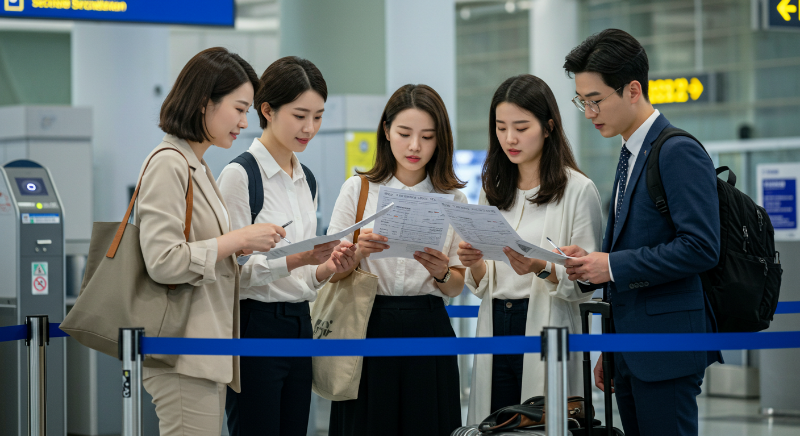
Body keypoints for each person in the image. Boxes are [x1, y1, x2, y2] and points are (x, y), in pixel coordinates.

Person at [561, 29, 722, 436]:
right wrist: (611, 349)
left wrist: (611, 265)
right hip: (630, 351)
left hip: (666, 351)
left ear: (633, 89)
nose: (589, 112)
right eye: (582, 101)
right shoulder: (631, 152)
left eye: (595, 100)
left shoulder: (676, 150)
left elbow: (701, 247)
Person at [137, 47, 288, 436]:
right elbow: (163, 260)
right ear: (205, 103)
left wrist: (241, 245)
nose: (244, 121)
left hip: (204, 350)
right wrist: (236, 238)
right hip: (184, 353)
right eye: (238, 109)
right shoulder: (170, 162)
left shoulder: (197, 165)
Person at [216, 56, 358, 436]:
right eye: (300, 115)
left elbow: (303, 278)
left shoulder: (306, 179)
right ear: (267, 110)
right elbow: (232, 276)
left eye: (318, 116)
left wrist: (329, 267)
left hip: (300, 323)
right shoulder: (239, 176)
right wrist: (297, 259)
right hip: (254, 325)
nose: (310, 127)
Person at [456, 74, 603, 424]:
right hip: (496, 321)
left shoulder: (578, 191)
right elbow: (484, 284)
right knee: (495, 423)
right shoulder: (492, 189)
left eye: (521, 127)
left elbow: (587, 283)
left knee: (541, 424)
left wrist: (542, 267)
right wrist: (473, 262)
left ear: (549, 126)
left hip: (546, 323)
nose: (510, 138)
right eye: (501, 127)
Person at [326, 84, 466, 436]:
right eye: (404, 133)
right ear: (386, 131)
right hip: (368, 320)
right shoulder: (357, 190)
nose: (415, 146)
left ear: (440, 141)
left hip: (428, 323)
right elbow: (329, 272)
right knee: (368, 425)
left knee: (429, 423)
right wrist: (357, 253)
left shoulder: (453, 198)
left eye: (427, 136)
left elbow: (456, 287)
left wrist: (442, 272)